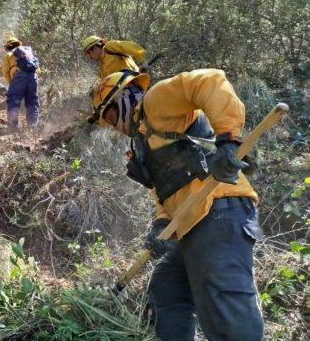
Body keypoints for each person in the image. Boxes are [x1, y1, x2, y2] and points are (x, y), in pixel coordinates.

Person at [88, 68, 264, 340]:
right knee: (167, 288)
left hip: (218, 210)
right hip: (192, 224)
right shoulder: (142, 145)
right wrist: (161, 225)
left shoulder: (156, 102)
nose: (112, 125)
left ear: (122, 98)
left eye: (109, 116)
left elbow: (209, 80)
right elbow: (165, 195)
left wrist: (228, 140)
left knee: (226, 315)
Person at [1, 37, 40, 132]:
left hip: (18, 77)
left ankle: (12, 127)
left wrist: (12, 82)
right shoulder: (29, 54)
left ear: (9, 47)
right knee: (32, 102)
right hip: (33, 77)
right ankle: (32, 127)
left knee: (13, 101)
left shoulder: (9, 54)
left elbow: (5, 72)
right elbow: (38, 70)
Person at [82, 35, 146, 79]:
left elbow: (130, 46)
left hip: (132, 80)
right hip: (123, 90)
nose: (89, 57)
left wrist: (142, 62)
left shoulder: (110, 47)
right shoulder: (101, 67)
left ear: (95, 48)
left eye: (89, 53)